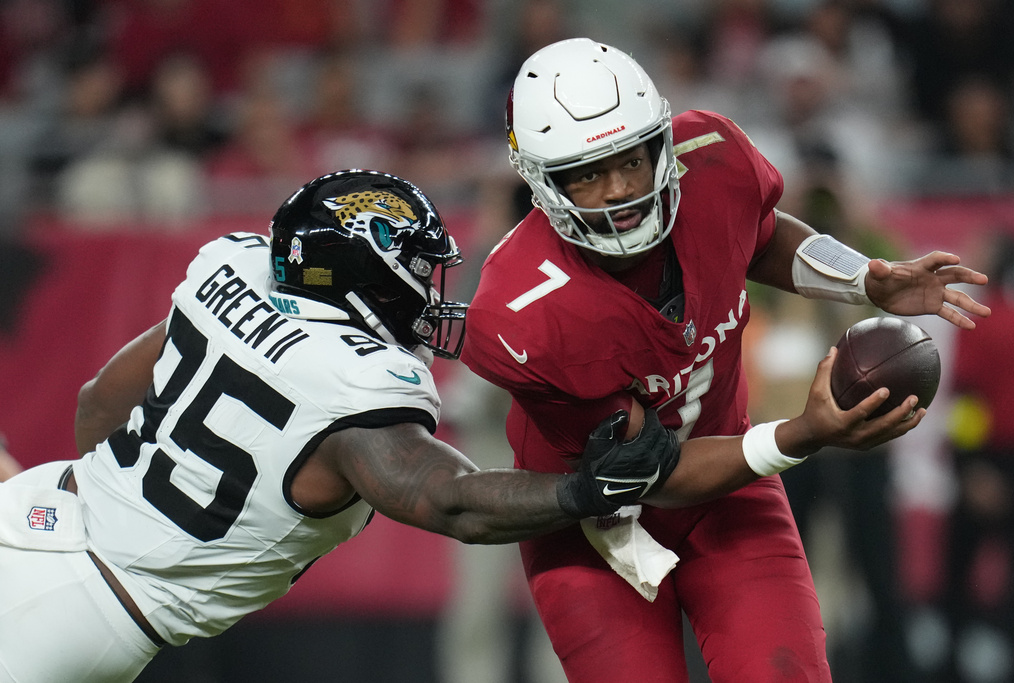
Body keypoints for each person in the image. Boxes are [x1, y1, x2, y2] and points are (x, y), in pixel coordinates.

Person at [0, 169, 680, 683]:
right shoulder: (359, 381)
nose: (428, 289)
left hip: (34, 510)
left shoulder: (232, 268)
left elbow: (97, 403)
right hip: (95, 610)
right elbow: (454, 501)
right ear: (368, 274)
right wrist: (583, 491)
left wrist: (119, 509)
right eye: (417, 270)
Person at [461, 38, 991, 682]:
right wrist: (804, 433)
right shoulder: (521, 311)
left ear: (660, 141)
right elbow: (652, 473)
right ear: (542, 182)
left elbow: (758, 235)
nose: (622, 188)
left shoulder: (710, 159)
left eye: (630, 159)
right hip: (595, 528)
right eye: (587, 174)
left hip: (731, 494)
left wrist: (865, 279)